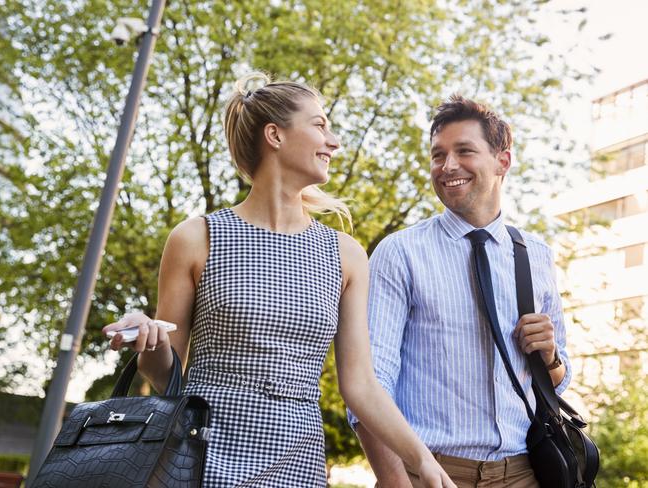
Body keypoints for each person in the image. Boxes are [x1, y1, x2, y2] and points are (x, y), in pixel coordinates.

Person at [103, 73, 456, 488]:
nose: (334, 141)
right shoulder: (195, 237)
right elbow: (165, 374)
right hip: (199, 457)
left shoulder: (345, 255)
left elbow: (360, 385)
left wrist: (422, 460)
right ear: (275, 135)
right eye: (320, 125)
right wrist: (151, 339)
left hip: (297, 462)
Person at [350, 95, 571, 488]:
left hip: (524, 473)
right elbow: (368, 383)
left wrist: (551, 358)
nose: (447, 166)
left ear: (503, 161)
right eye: (438, 155)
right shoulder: (400, 253)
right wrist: (396, 480)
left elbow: (558, 379)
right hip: (429, 472)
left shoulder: (536, 256)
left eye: (464, 151)